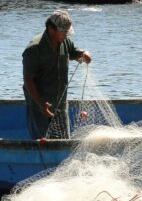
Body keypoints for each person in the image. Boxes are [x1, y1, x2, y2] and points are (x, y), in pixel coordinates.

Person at [22, 9, 92, 139]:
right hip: (39, 106)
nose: (66, 35)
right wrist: (41, 105)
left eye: (67, 32)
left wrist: (84, 54)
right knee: (42, 142)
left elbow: (73, 53)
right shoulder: (34, 49)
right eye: (63, 32)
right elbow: (28, 80)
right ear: (51, 29)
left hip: (60, 105)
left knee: (63, 141)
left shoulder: (65, 41)